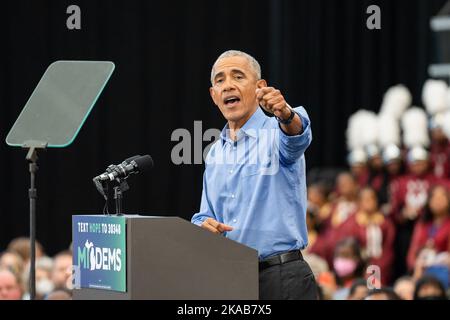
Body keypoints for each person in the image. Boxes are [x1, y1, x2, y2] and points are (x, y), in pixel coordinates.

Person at [191, 50, 316, 300]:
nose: (228, 86)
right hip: (234, 280)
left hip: (282, 278)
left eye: (238, 76)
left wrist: (285, 113)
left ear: (260, 87)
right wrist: (202, 226)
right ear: (213, 95)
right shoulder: (215, 153)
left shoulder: (277, 130)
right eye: (220, 80)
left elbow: (298, 135)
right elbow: (205, 214)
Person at [338, 187, 395, 285]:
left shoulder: (385, 223)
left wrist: (377, 267)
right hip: (357, 267)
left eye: (372, 199)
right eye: (365, 199)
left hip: (380, 267)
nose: (369, 202)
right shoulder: (351, 222)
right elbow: (346, 247)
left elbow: (389, 247)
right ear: (359, 202)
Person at [407, 184, 450, 271]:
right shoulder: (422, 224)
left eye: (442, 198)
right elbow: (412, 253)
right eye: (434, 198)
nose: (438, 201)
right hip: (421, 269)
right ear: (429, 202)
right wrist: (415, 265)